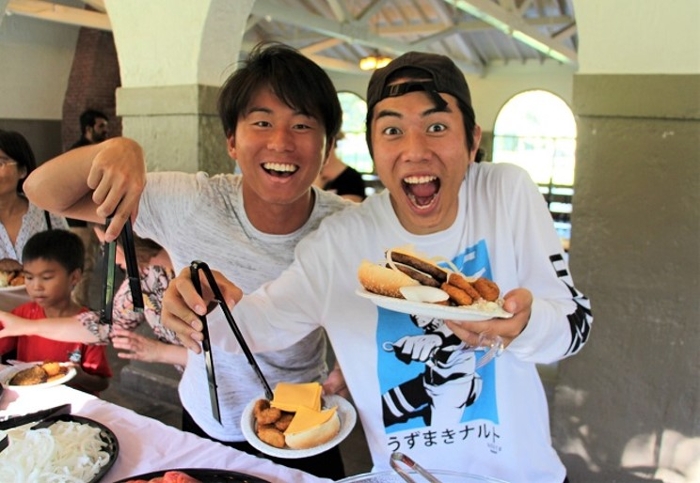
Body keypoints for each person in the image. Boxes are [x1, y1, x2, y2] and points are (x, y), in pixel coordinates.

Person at [155, 52, 593, 482]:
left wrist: (525, 324)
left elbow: (575, 324)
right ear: (373, 149)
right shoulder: (342, 241)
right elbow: (257, 325)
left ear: (472, 139)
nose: (415, 151)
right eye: (392, 130)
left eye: (436, 127)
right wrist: (198, 309)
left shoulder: (504, 194)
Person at [22, 43, 350, 480]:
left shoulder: (344, 226)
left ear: (328, 146)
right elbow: (42, 190)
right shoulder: (191, 200)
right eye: (262, 122)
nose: (280, 142)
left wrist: (354, 355)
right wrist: (118, 149)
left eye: (303, 124)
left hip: (308, 423)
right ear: (231, 141)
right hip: (209, 418)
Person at [0, 225, 184, 370]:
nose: (110, 260)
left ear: (134, 241)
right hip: (195, 394)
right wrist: (25, 326)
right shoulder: (145, 275)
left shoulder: (201, 274)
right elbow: (104, 325)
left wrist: (162, 352)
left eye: (109, 248)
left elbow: (212, 356)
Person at [0, 229, 111, 395]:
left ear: (74, 277)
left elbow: (101, 383)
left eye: (46, 278)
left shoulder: (85, 326)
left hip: (72, 407)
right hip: (30, 400)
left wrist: (78, 376)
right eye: (29, 278)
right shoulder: (21, 316)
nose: (36, 286)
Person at [0, 130, 69, 312]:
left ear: (22, 171)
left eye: (1, 162)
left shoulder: (46, 212)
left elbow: (69, 262)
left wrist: (30, 270)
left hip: (41, 315)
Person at [67, 109, 110, 309]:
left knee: (89, 265)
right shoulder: (80, 154)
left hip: (90, 220)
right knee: (82, 266)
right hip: (80, 222)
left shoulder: (94, 151)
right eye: (101, 127)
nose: (105, 131)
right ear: (88, 129)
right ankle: (78, 308)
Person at [315, 132, 367, 202]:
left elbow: (347, 211)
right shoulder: (307, 175)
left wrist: (317, 191)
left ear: (330, 143)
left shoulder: (352, 178)